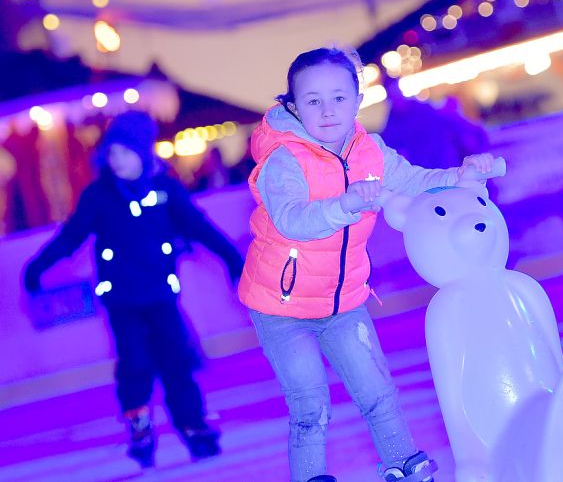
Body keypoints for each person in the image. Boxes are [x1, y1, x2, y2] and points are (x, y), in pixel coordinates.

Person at [238, 47, 499, 482]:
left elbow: (414, 180)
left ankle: (404, 464)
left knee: (377, 391)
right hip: (280, 308)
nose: (327, 111)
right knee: (310, 407)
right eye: (313, 100)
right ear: (293, 105)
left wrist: (461, 174)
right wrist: (345, 204)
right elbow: (292, 221)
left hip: (344, 302)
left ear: (358, 100)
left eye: (339, 98)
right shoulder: (283, 161)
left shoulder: (370, 152)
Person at [23, 111, 244, 467]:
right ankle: (139, 425)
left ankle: (194, 426)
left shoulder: (165, 189)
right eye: (112, 154)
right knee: (135, 363)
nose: (117, 161)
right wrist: (37, 267)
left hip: (160, 295)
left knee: (177, 362)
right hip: (122, 300)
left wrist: (234, 260)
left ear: (142, 152)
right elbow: (71, 236)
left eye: (125, 153)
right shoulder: (99, 195)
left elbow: (200, 228)